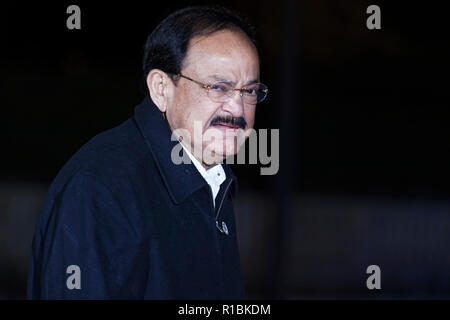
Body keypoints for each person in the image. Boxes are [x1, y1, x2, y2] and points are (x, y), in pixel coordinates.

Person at [27, 6, 268, 299]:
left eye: (250, 91)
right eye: (218, 87)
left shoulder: (212, 179)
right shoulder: (101, 188)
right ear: (160, 89)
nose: (238, 109)